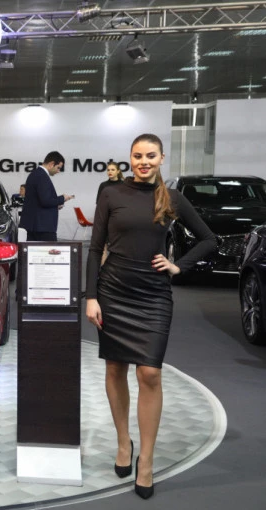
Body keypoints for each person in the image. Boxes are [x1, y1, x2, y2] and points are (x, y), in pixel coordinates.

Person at [85, 134, 216, 500]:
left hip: (153, 296)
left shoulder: (172, 198)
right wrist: (91, 296)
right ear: (130, 158)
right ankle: (123, 442)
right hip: (113, 292)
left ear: (161, 158)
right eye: (138, 155)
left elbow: (209, 239)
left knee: (150, 374)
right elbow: (95, 248)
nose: (144, 161)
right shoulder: (111, 193)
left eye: (151, 156)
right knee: (115, 368)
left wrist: (178, 266)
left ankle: (147, 460)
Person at [18, 151, 74, 241]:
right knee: (49, 250)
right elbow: (46, 201)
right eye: (58, 167)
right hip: (42, 227)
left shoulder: (35, 174)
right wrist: (62, 198)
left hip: (35, 225)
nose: (58, 171)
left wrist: (56, 205)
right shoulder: (42, 176)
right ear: (51, 164)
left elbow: (39, 201)